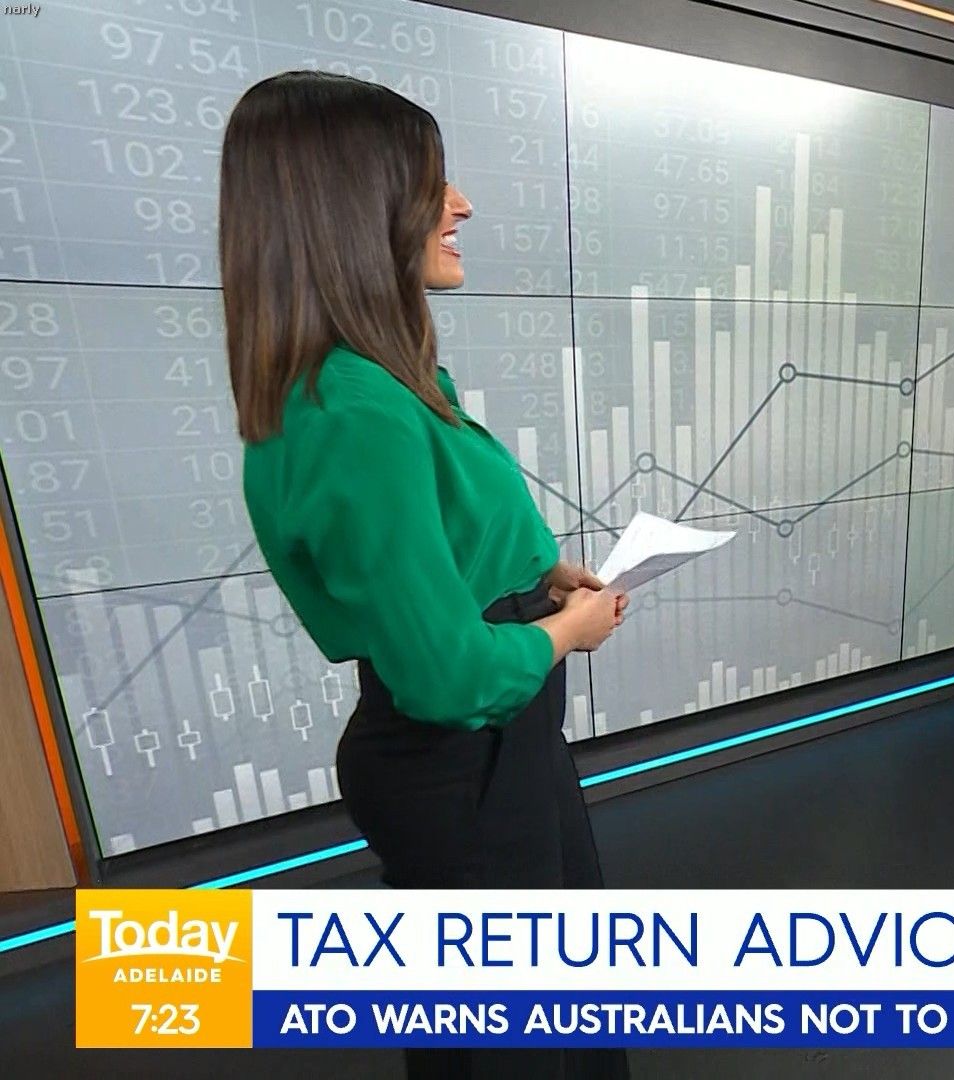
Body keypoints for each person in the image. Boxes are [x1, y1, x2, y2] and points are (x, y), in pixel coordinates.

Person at [222, 71, 630, 1079]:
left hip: (511, 752)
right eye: (431, 183)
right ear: (353, 208)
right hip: (462, 765)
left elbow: (451, 532)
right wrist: (564, 632)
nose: (462, 205)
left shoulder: (386, 381)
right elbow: (446, 674)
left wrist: (542, 572)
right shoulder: (353, 409)